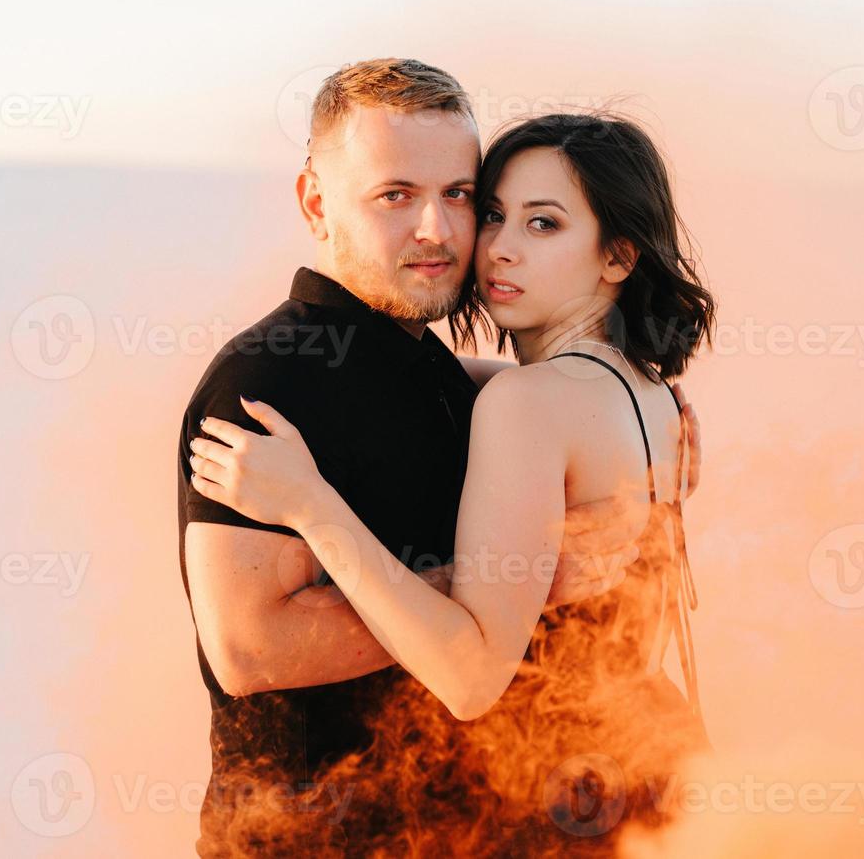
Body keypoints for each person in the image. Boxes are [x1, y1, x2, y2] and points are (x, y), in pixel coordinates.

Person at [176, 60, 702, 856]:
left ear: (617, 255)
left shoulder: (463, 378)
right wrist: (507, 579)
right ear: (317, 202)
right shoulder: (266, 381)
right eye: (396, 196)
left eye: (460, 196)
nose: (443, 231)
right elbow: (250, 652)